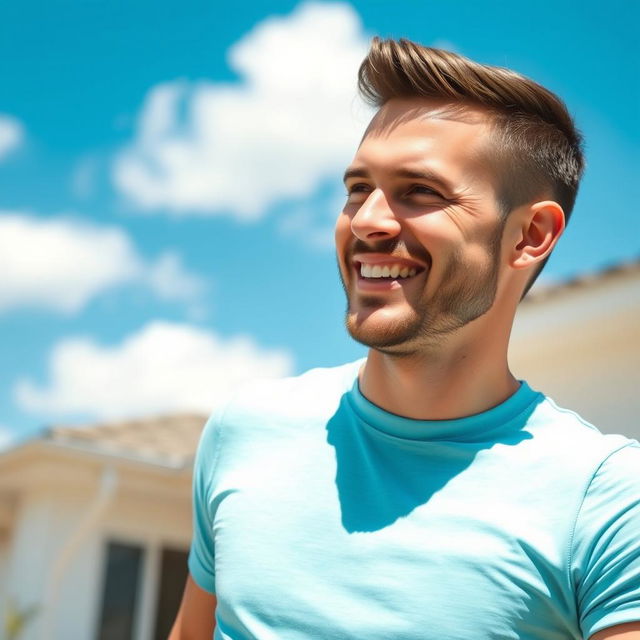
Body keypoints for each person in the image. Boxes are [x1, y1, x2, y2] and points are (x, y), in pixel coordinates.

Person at [169, 38, 640, 640]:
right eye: (358, 188)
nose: (366, 221)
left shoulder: (605, 502)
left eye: (420, 192)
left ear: (529, 236)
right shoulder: (244, 431)